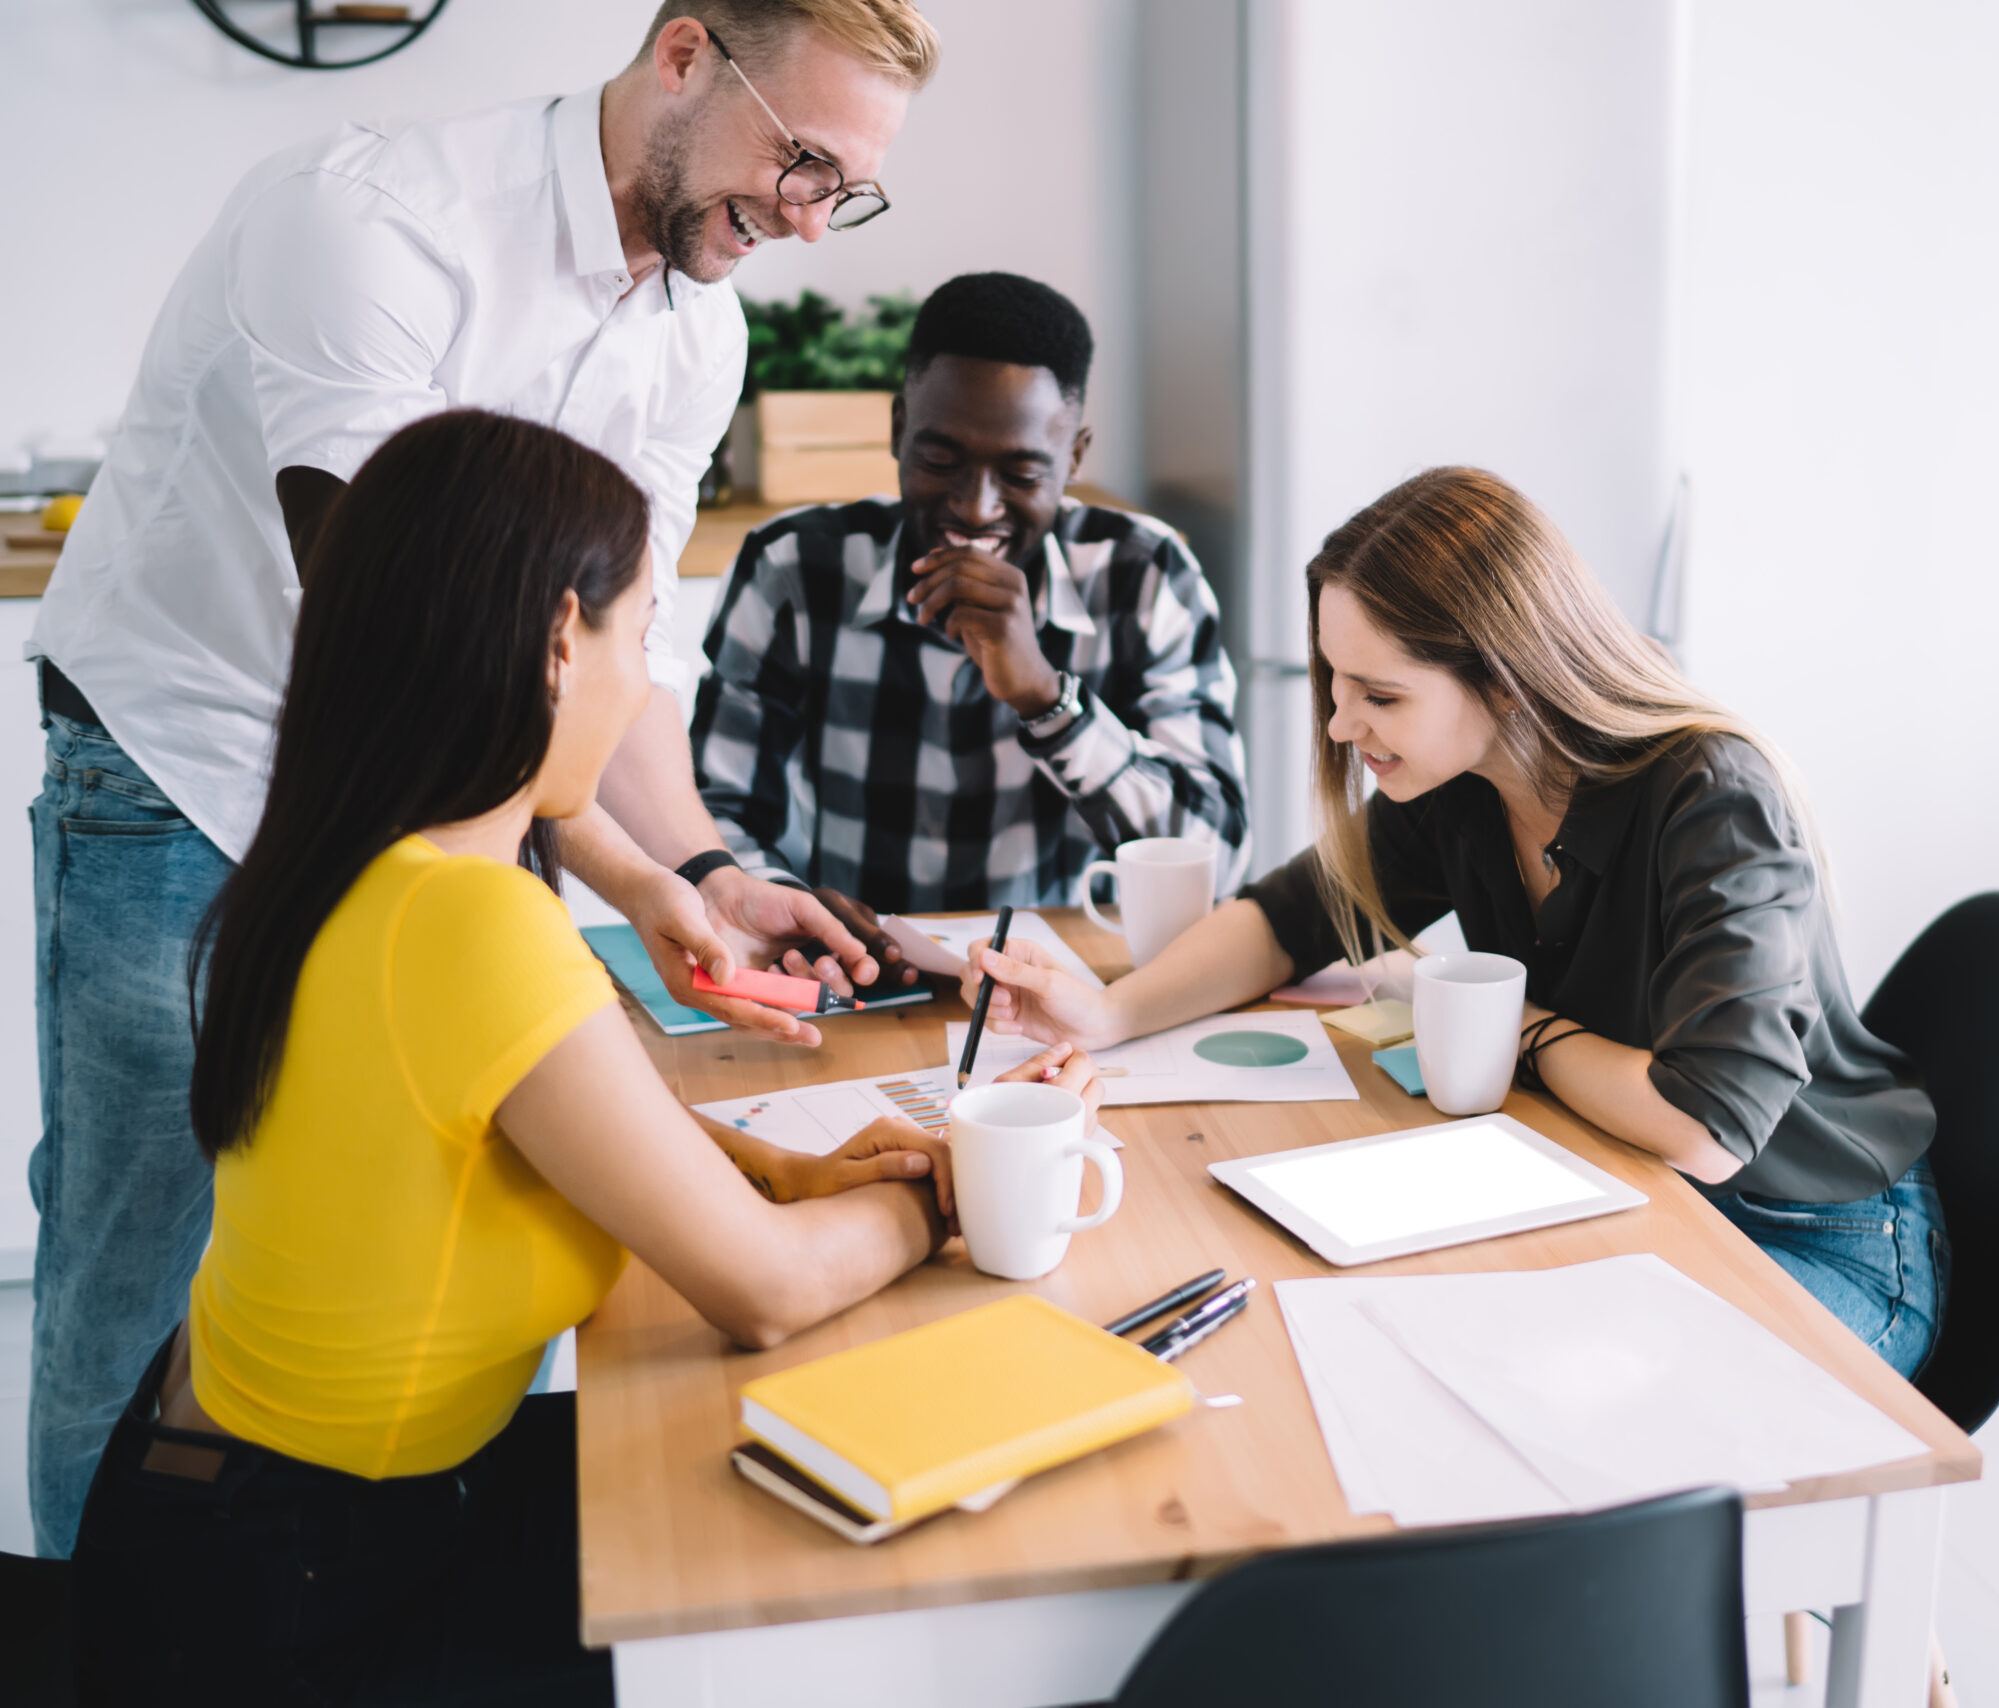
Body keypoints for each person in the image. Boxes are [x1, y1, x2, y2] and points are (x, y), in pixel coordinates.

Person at [24, 0, 941, 1558]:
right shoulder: (373, 226)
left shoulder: (693, 335)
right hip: (183, 773)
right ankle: (79, 1629)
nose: (805, 215)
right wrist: (626, 876)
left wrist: (699, 875)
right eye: (798, 158)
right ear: (681, 53)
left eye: (842, 189)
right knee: (133, 1279)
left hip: (444, 800)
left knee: (434, 1231)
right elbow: (409, 658)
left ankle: (382, 1533)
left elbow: (616, 651)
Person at [70, 410, 1106, 1700]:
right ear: (563, 639)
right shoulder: (471, 921)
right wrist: (941, 1195)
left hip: (237, 1512)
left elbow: (534, 1128)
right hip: (293, 1589)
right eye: (640, 636)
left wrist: (799, 1173)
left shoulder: (369, 855)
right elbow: (766, 1292)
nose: (641, 683)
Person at [966, 467, 1951, 1376]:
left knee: (1577, 1416)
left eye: (1380, 694)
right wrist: (1107, 1014)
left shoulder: (1710, 795)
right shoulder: (1459, 787)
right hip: (1620, 1179)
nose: (1344, 727)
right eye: (1337, 685)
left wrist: (1520, 1030)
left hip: (1808, 1228)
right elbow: (1287, 918)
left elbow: (1703, 1128)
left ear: (1507, 676)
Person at [692, 270, 1249, 927]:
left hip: (1070, 984)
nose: (975, 506)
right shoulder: (792, 568)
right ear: (899, 429)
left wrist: (1048, 700)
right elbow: (713, 814)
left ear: (1075, 458)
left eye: (1020, 473)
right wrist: (790, 909)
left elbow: (1217, 860)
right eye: (940, 461)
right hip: (852, 977)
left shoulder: (1144, 574)